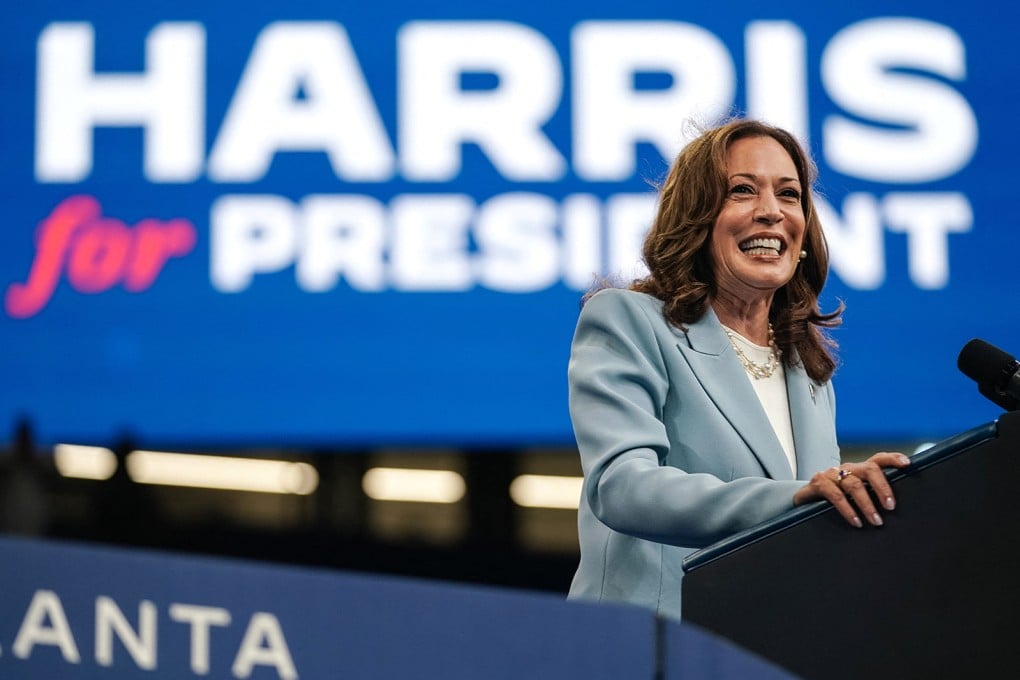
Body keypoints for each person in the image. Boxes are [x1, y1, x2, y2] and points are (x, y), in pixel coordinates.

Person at [566, 118, 911, 620]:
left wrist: (864, 499)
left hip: (766, 646)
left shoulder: (807, 370)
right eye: (742, 190)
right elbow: (621, 488)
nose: (772, 211)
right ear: (696, 217)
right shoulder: (629, 320)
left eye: (789, 194)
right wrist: (798, 497)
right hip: (647, 641)